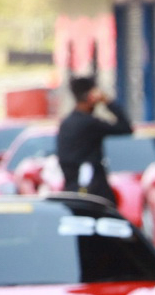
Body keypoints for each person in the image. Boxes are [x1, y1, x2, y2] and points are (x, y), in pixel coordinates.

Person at [56, 75, 133, 203]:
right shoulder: (89, 123)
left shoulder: (66, 123)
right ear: (90, 96)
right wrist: (108, 102)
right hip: (93, 192)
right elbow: (125, 128)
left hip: (73, 189)